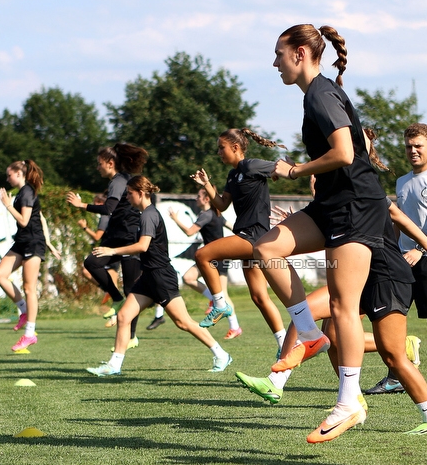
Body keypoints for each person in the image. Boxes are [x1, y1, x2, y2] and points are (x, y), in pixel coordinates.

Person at [254, 23, 393, 443]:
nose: (274, 62)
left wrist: (294, 169)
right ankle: (309, 335)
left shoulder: (321, 93)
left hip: (356, 206)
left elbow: (346, 153)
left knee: (342, 305)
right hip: (332, 204)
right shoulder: (318, 94)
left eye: (278, 53)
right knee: (265, 248)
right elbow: (358, 150)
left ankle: (349, 402)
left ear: (299, 54)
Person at [237, 202, 427, 435]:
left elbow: (396, 214)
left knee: (393, 357)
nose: (314, 177)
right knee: (331, 335)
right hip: (358, 276)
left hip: (385, 277)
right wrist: (298, 226)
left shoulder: (361, 188)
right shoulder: (334, 198)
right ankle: (326, 392)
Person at [87, 177, 233, 377]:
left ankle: (221, 353)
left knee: (183, 323)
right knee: (123, 316)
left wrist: (111, 251)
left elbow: (142, 246)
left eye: (129, 193)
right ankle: (114, 365)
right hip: (148, 276)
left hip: (161, 276)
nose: (127, 196)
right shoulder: (144, 214)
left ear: (140, 192)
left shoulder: (148, 215)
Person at [367, 123, 427, 397]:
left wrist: (421, 250)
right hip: (401, 261)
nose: (413, 151)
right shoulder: (401, 181)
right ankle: (396, 377)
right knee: (393, 317)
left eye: (418, 146)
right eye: (409, 146)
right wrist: (393, 250)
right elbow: (400, 223)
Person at [190, 128, 290, 351]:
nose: (218, 152)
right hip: (250, 236)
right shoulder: (233, 175)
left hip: (253, 235)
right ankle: (284, 344)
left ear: (235, 148)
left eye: (221, 147)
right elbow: (222, 205)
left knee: (202, 254)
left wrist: (292, 168)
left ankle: (220, 304)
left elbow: (278, 169)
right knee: (258, 296)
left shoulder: (251, 165)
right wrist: (206, 183)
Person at [66, 144, 148, 345]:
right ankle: (116, 298)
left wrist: (81, 205)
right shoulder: (120, 180)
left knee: (131, 288)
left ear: (110, 163)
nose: (97, 168)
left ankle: (131, 336)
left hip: (130, 237)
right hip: (116, 236)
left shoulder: (119, 181)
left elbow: (109, 208)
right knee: (91, 263)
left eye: (99, 164)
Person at [169, 187, 241, 339]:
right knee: (188, 278)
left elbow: (189, 232)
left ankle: (235, 327)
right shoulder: (214, 214)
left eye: (198, 196)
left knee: (224, 295)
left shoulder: (207, 215)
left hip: (219, 258)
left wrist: (175, 219)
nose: (196, 199)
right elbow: (233, 227)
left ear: (206, 199)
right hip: (209, 258)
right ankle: (214, 299)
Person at [0, 160, 45, 352]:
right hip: (21, 243)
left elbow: (24, 220)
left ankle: (30, 335)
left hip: (33, 243)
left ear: (19, 174)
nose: (7, 179)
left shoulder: (28, 192)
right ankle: (23, 310)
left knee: (29, 288)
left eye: (9, 175)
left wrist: (7, 205)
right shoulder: (23, 192)